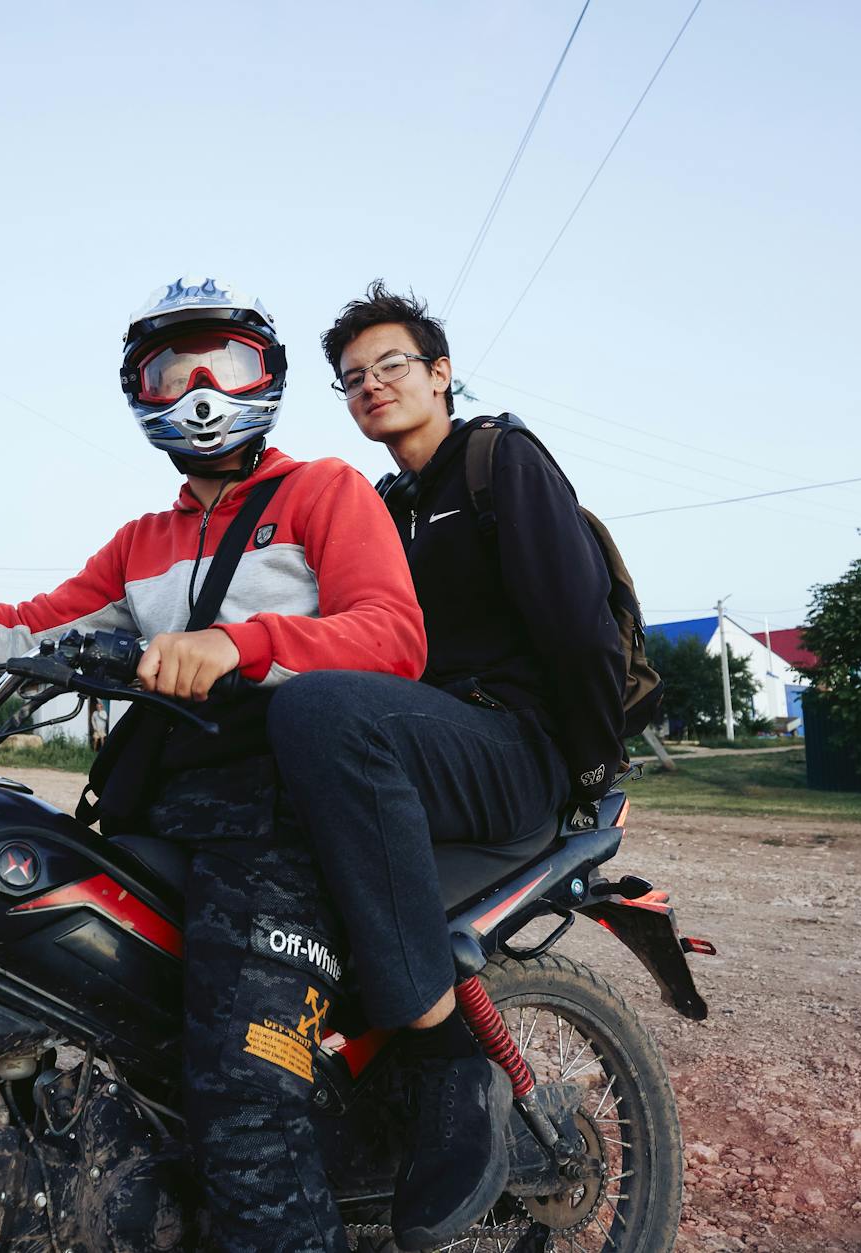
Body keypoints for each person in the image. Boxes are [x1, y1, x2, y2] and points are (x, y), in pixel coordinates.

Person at [0, 276, 425, 1252]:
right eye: (174, 371)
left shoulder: (323, 491)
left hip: (284, 818)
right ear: (142, 391)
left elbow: (390, 632)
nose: (202, 390)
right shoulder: (142, 544)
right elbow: (20, 631)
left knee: (244, 1107)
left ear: (266, 377)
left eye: (226, 364)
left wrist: (241, 644)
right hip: (166, 812)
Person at [266, 282, 630, 1248]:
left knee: (319, 707)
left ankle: (448, 1065)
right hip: (424, 743)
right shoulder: (384, 503)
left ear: (441, 373)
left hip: (513, 744)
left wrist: (592, 774)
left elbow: (579, 626)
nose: (371, 386)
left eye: (391, 365)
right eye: (352, 378)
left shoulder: (498, 461)